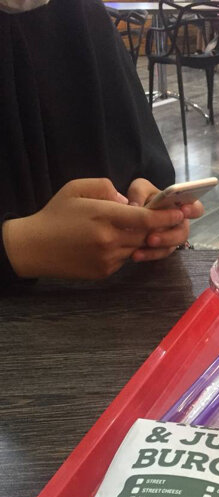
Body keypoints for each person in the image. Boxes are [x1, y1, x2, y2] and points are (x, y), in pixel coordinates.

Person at [0, 0, 204, 290]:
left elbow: (142, 164)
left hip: (121, 296)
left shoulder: (82, 15)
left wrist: (152, 211)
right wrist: (18, 246)